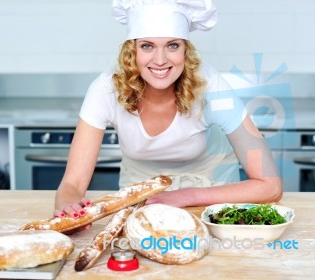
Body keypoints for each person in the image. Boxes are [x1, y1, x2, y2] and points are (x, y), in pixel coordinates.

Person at [54, 0, 282, 221]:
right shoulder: (106, 89)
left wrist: (187, 195)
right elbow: (72, 184)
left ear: (186, 50)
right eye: (147, 46)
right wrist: (70, 206)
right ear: (131, 52)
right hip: (140, 203)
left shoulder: (211, 86)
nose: (161, 60)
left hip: (210, 200)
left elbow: (270, 185)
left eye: (173, 45)